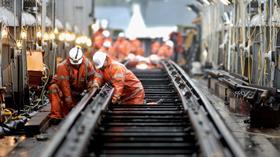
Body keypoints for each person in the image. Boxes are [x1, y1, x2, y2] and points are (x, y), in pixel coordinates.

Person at [48, 47, 96, 121]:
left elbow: (92, 77)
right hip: (65, 92)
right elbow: (65, 86)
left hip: (78, 91)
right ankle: (56, 116)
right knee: (53, 88)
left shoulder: (87, 64)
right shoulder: (63, 66)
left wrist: (91, 86)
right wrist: (70, 104)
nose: (76, 65)